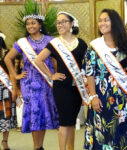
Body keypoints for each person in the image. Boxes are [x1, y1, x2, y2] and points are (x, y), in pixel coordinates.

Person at [4, 3, 59, 150]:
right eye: (28, 24)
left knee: (43, 113)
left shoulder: (50, 40)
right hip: (30, 82)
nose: (30, 26)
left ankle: (40, 145)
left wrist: (54, 75)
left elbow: (55, 60)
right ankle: (36, 147)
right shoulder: (22, 43)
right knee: (35, 113)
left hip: (46, 81)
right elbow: (7, 59)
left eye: (33, 23)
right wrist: (15, 75)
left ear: (40, 25)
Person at [35, 11, 89, 150]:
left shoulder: (81, 43)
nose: (60, 24)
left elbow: (87, 64)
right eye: (58, 22)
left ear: (72, 23)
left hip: (76, 88)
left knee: (71, 122)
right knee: (64, 122)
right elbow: (38, 60)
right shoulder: (54, 44)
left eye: (64, 21)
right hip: (62, 88)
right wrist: (51, 75)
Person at [83, 9, 127, 150]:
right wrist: (93, 96)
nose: (102, 23)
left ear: (115, 22)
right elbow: (90, 73)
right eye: (100, 20)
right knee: (103, 133)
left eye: (106, 20)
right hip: (101, 97)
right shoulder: (94, 47)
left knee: (123, 132)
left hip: (122, 97)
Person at [0, 31, 17, 150]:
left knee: (5, 117)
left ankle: (4, 141)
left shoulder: (7, 54)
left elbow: (12, 73)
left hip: (4, 90)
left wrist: (15, 90)